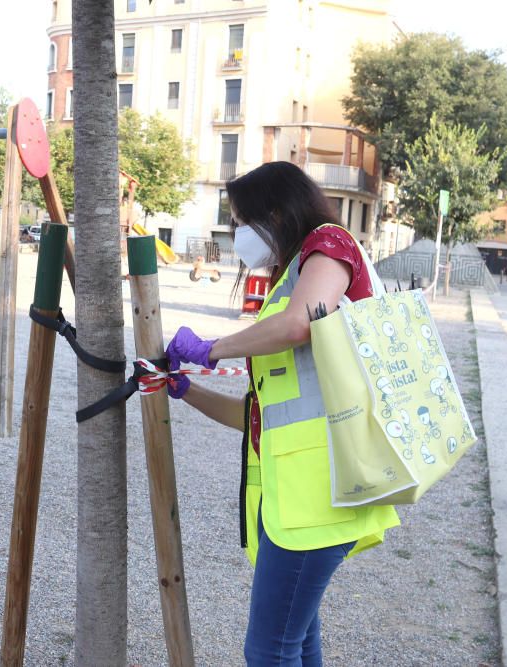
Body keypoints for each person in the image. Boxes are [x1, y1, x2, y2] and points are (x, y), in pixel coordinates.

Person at [164, 161, 400, 667]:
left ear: (275, 210)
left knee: (270, 649)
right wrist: (186, 390)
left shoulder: (330, 244)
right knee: (296, 641)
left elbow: (299, 325)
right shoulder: (287, 277)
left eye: (240, 220)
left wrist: (213, 348)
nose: (236, 234)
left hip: (321, 496)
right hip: (296, 501)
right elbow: (258, 417)